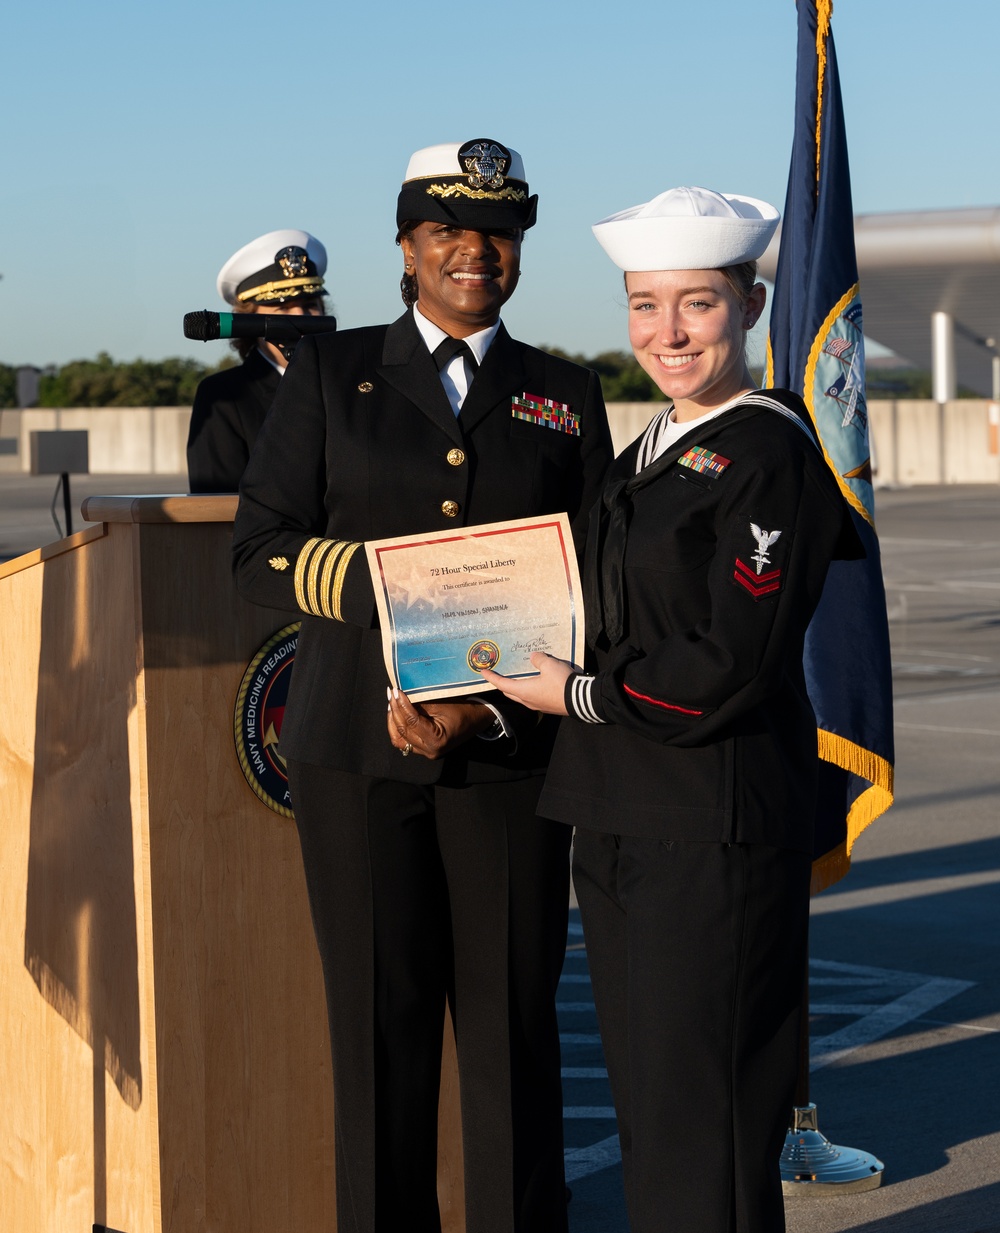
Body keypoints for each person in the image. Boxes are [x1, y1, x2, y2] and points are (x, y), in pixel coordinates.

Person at [231, 139, 612, 1233]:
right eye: (445, 228)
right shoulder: (328, 375)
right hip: (357, 752)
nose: (472, 251)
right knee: (378, 1033)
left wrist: (483, 700)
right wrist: (404, 602)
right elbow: (257, 550)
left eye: (495, 231)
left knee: (508, 1033)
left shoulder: (563, 394)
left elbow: (592, 580)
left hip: (508, 756)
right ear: (406, 245)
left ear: (519, 251)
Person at [481, 186, 864, 1233]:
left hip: (710, 819)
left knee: (706, 1119)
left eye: (695, 304)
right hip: (619, 810)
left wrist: (575, 693)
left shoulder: (766, 451)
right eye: (644, 306)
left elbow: (729, 659)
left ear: (746, 303)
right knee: (657, 1107)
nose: (667, 332)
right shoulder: (651, 444)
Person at [186, 228, 328, 492]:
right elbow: (214, 508)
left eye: (310, 304)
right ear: (251, 321)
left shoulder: (349, 385)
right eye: (283, 309)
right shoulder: (225, 397)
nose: (300, 316)